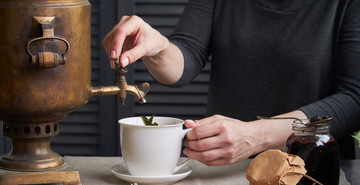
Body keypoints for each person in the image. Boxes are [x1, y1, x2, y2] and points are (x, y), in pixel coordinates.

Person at [103, 0, 360, 166]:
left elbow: (353, 99)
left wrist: (255, 135)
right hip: (227, 173)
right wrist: (157, 47)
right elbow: (187, 57)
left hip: (314, 175)